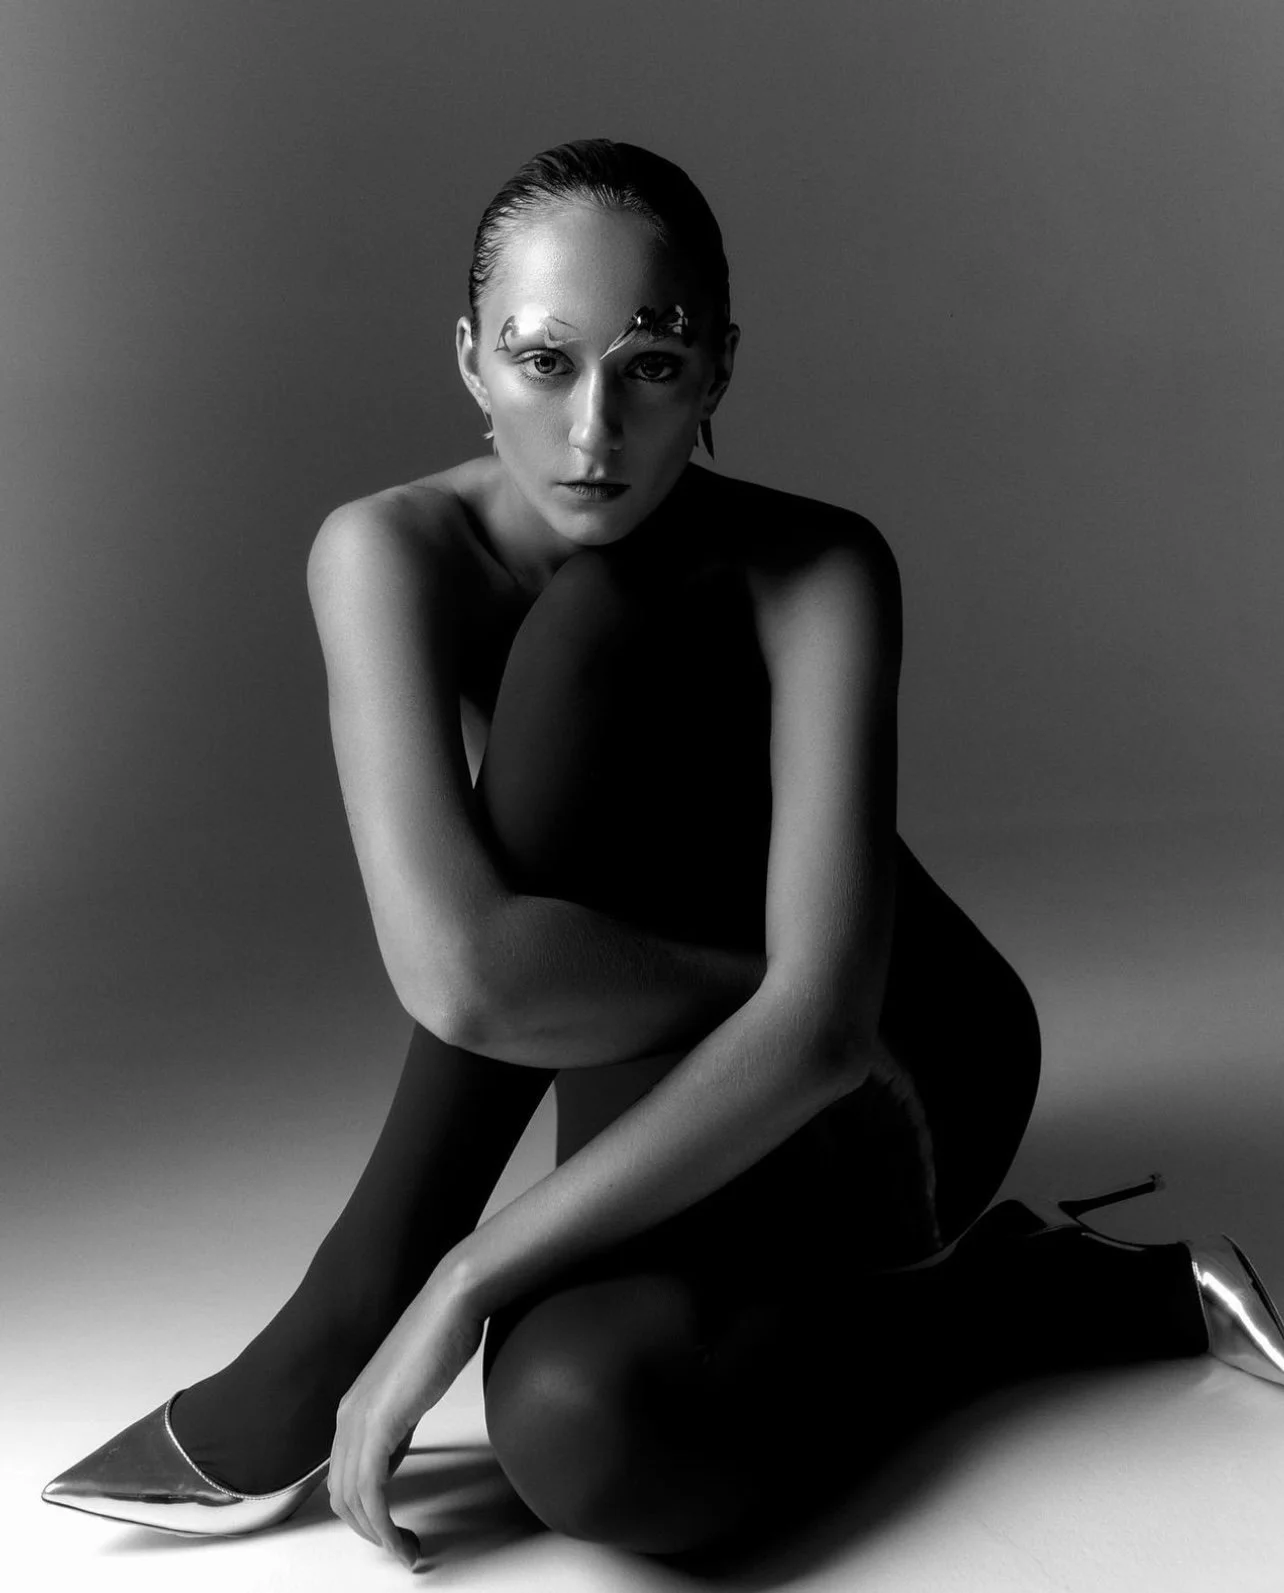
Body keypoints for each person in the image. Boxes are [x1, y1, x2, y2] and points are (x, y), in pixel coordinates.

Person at [43, 138, 1284, 1569]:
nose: (592, 432)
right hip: (699, 1031)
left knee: (595, 623)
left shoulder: (823, 568)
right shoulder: (387, 555)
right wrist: (761, 1008)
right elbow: (470, 984)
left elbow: (822, 1027)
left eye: (651, 363)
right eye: (542, 359)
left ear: (720, 370)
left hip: (898, 1064)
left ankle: (346, 1308)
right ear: (467, 357)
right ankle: (1046, 1299)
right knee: (584, 1433)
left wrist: (454, 1283)